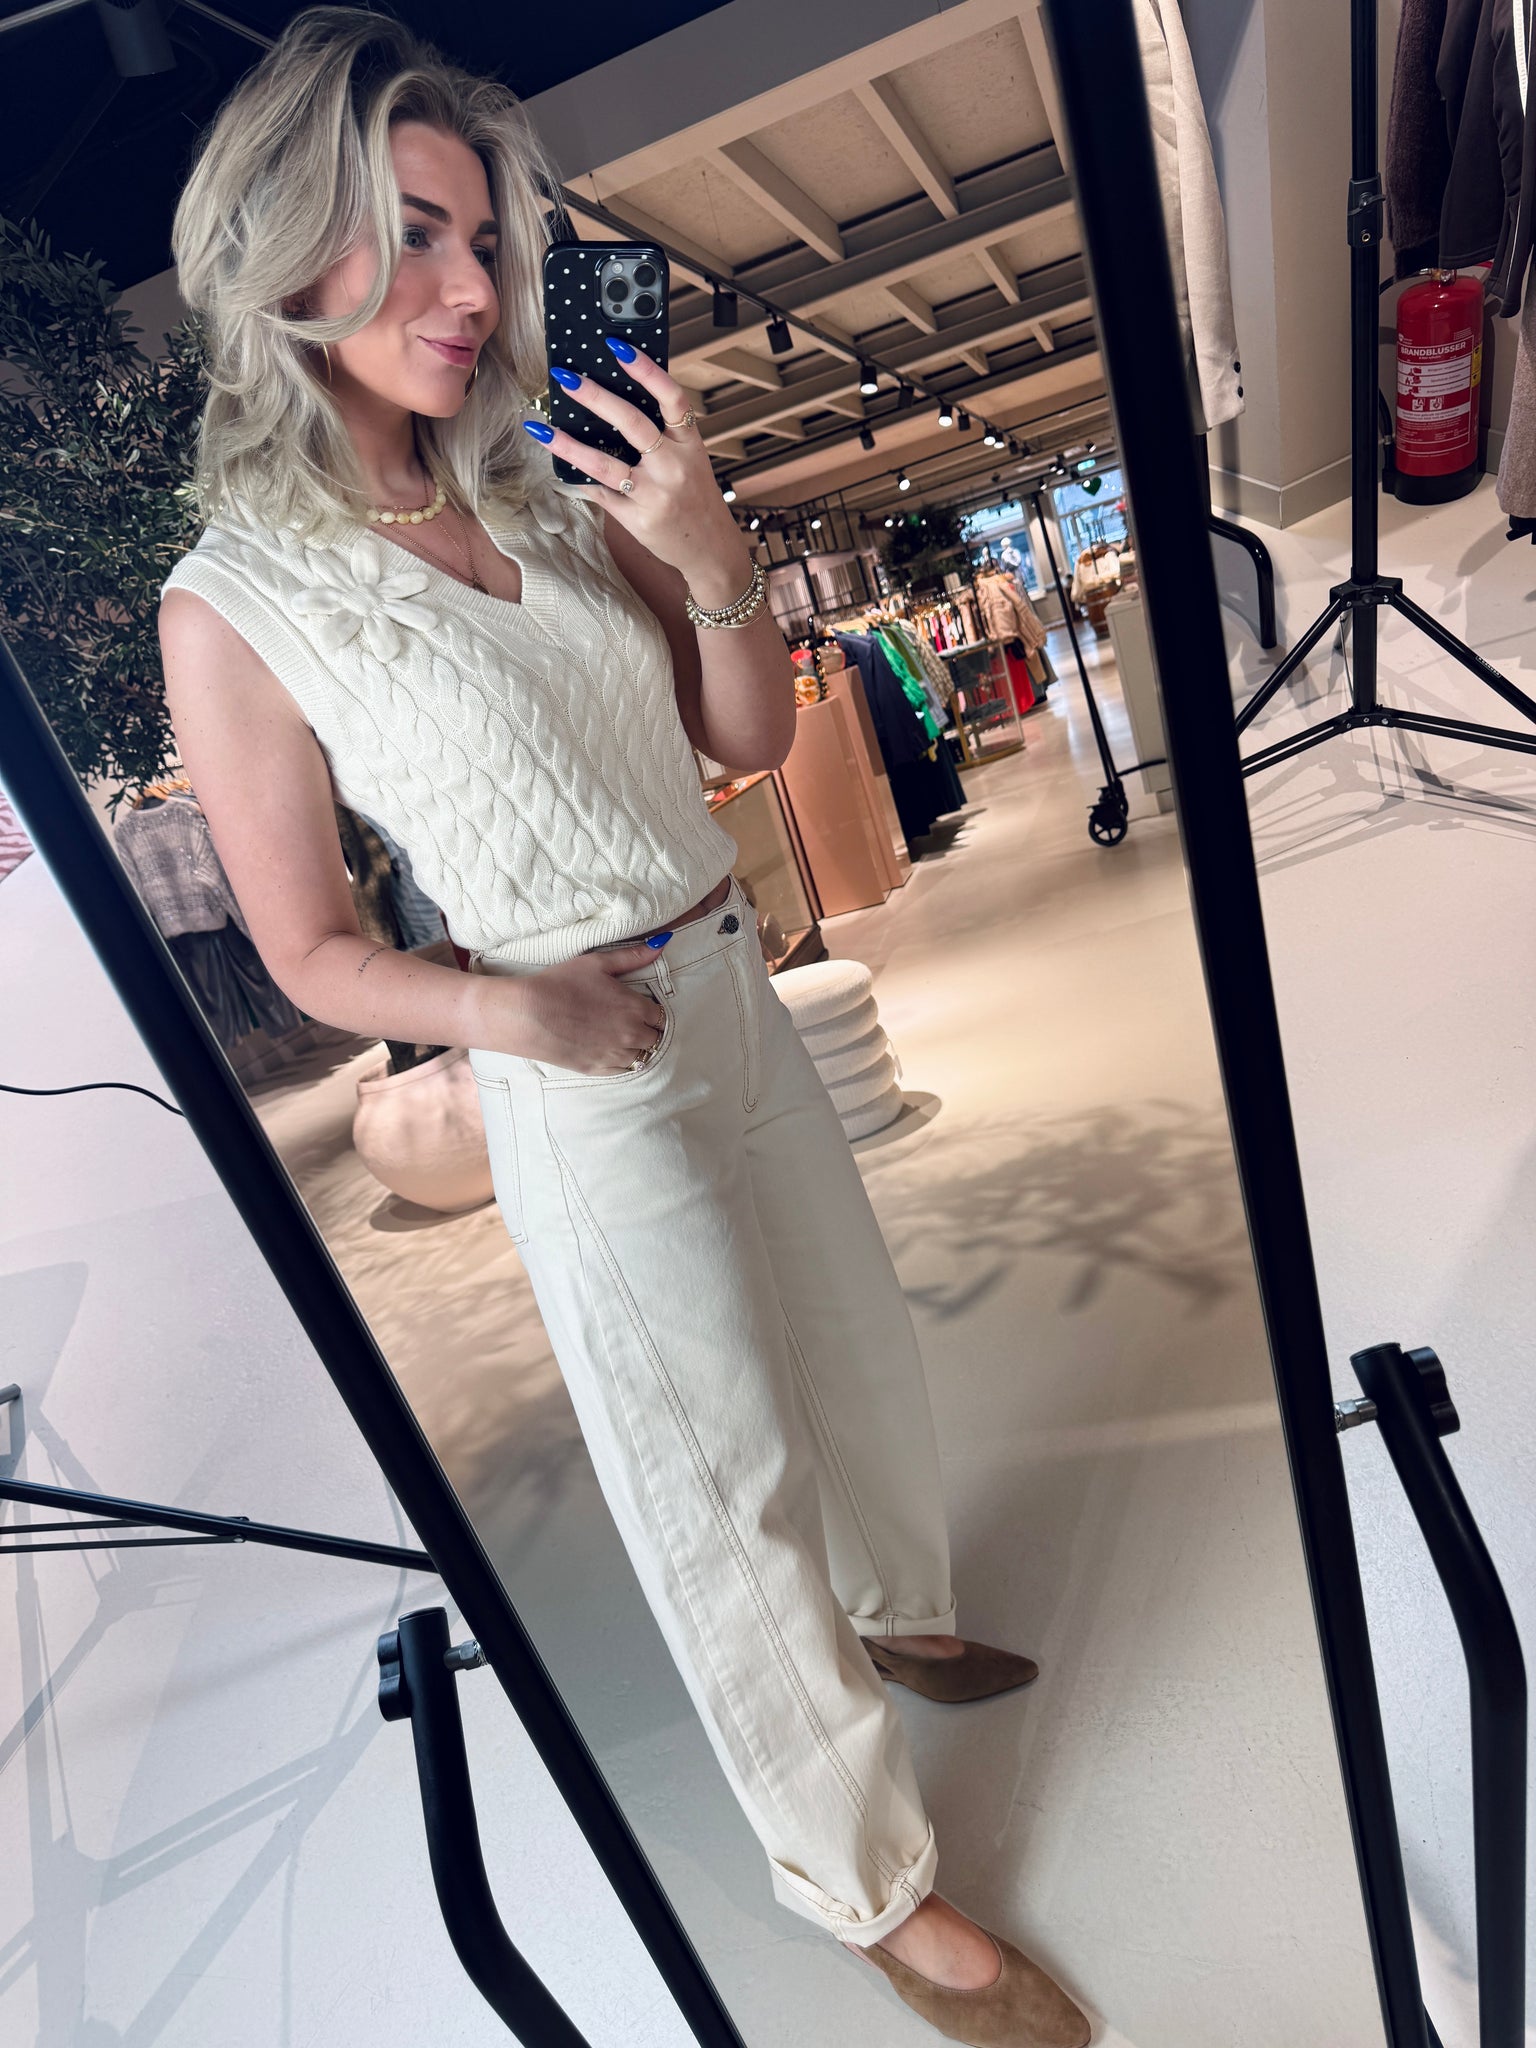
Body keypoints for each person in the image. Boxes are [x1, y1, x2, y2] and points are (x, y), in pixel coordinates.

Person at [154, 13, 1089, 2042]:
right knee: (712, 1477)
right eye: (411, 233)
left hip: (732, 974)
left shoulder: (554, 487)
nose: (472, 289)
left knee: (852, 1344)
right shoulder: (236, 606)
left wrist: (711, 547)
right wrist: (507, 1007)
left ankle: (900, 1618)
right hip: (574, 1053)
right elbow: (307, 951)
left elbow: (739, 742)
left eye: (486, 240)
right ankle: (866, 1883)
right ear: (282, 253)